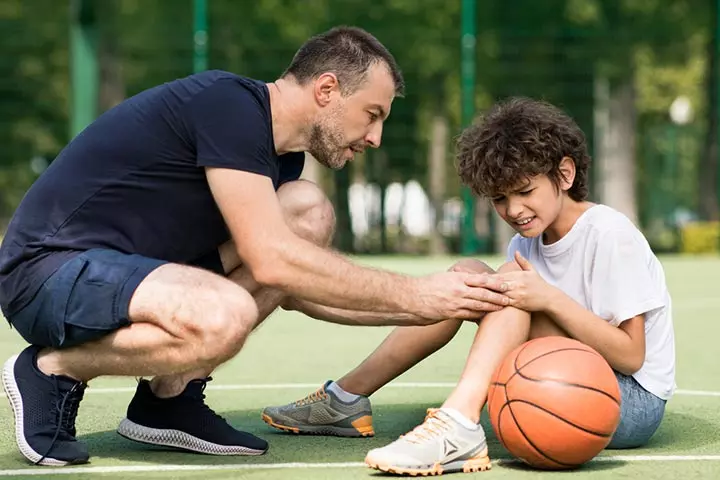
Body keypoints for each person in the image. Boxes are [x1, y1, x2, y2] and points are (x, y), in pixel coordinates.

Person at [0, 26, 512, 467]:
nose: (375, 137)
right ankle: (53, 369)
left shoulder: (279, 159)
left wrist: (443, 306)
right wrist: (417, 293)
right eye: (372, 114)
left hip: (128, 273)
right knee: (225, 314)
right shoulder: (229, 106)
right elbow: (271, 259)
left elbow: (294, 286)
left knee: (306, 212)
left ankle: (167, 399)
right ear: (328, 89)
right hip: (48, 272)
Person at [262, 97, 676, 475]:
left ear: (564, 174)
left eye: (525, 191)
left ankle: (459, 424)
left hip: (627, 400)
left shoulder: (608, 233)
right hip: (562, 376)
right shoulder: (525, 243)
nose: (513, 210)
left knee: (508, 289)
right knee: (468, 275)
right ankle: (346, 399)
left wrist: (548, 298)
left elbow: (631, 355)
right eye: (499, 199)